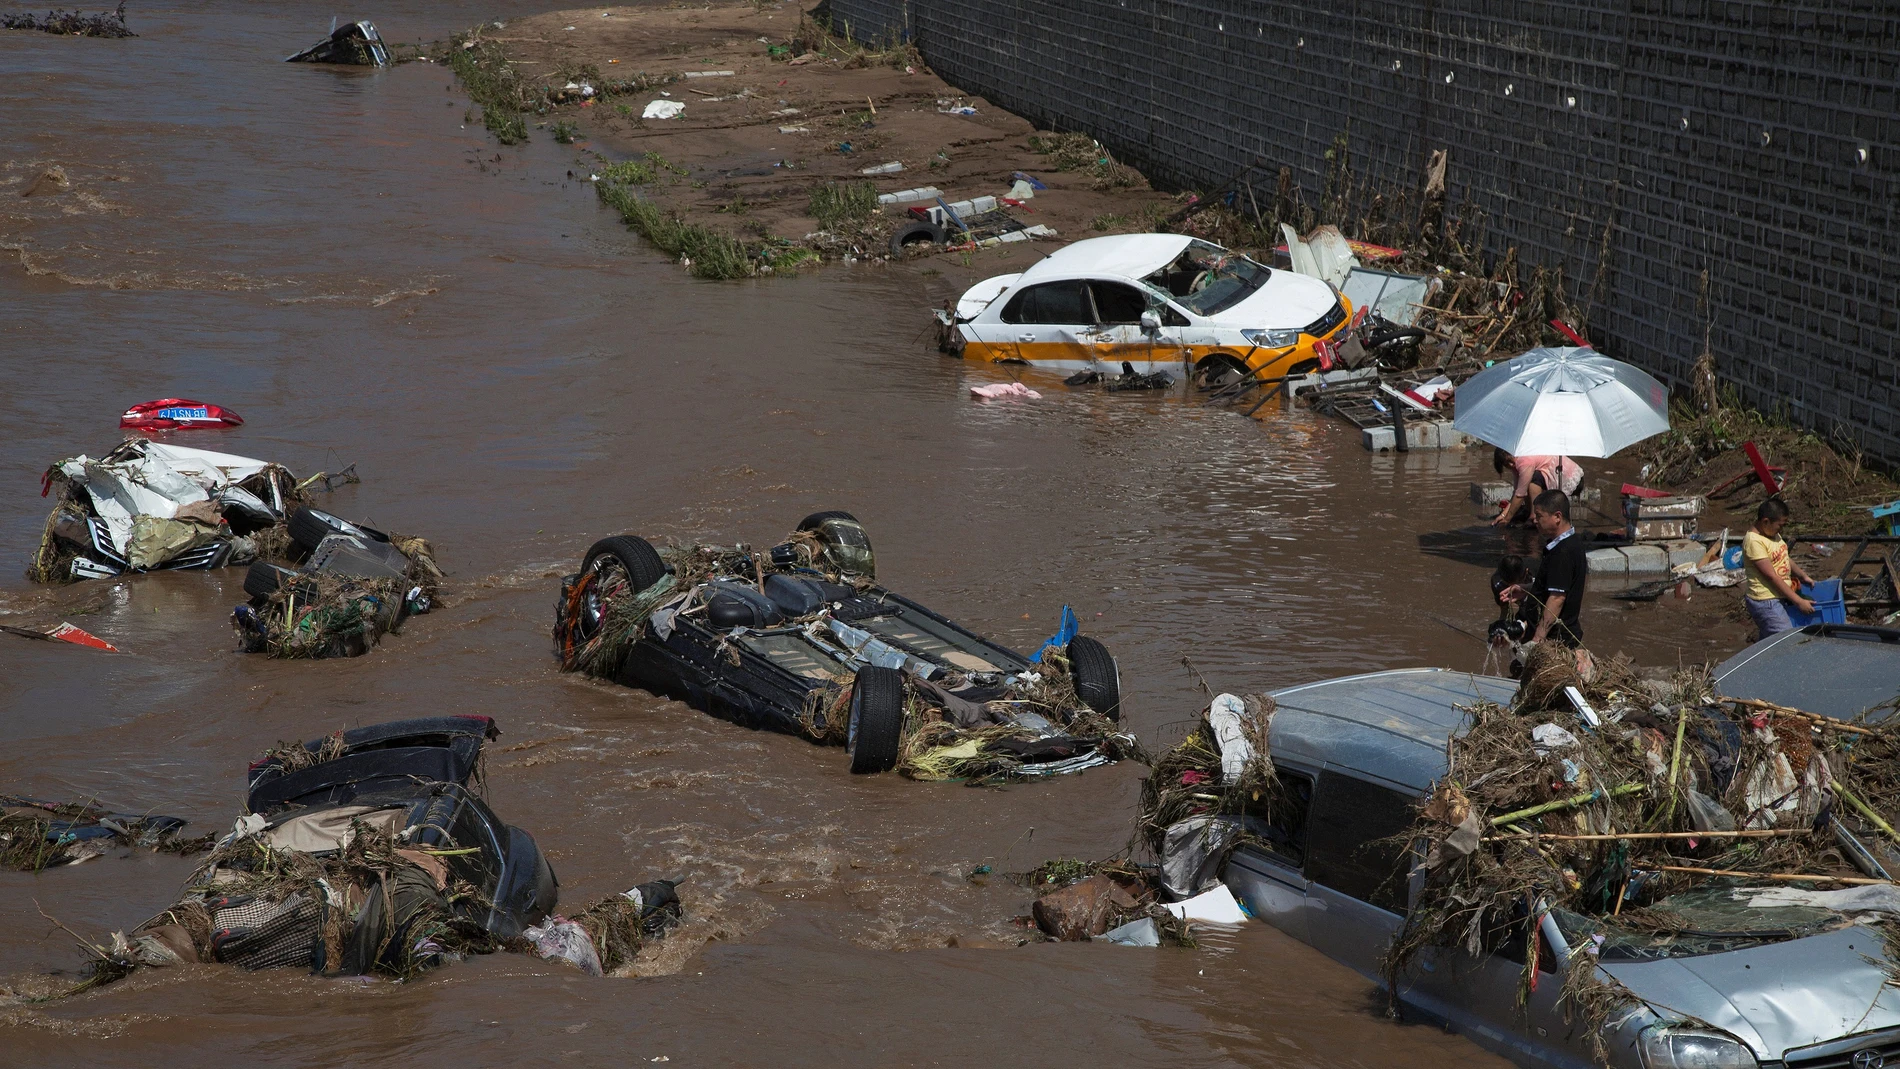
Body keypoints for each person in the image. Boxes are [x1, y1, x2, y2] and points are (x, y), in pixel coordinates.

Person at [1501, 490, 1587, 647]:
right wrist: (1527, 590)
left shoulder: (1563, 552)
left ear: (1557, 517)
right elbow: (1554, 585)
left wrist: (1538, 639)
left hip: (1555, 640)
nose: (1534, 520)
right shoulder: (1571, 542)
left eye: (1539, 516)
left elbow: (1557, 599)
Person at [1742, 498, 1815, 639]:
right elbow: (1771, 576)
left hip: (1777, 596)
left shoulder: (1772, 534)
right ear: (1765, 521)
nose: (1781, 529)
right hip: (1765, 600)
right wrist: (1799, 601)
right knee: (1785, 638)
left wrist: (1802, 575)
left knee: (1770, 639)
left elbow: (1783, 556)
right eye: (1779, 525)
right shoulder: (1754, 541)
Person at [1491, 449, 1585, 527]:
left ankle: (1533, 516)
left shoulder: (1524, 461)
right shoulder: (1516, 464)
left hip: (1569, 478)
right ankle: (1529, 511)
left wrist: (1507, 519)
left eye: (1510, 461)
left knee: (1533, 479)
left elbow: (1520, 495)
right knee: (1525, 482)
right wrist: (1503, 515)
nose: (1511, 465)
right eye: (1506, 464)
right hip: (1554, 474)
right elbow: (1517, 491)